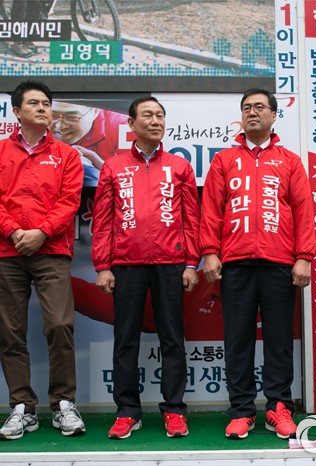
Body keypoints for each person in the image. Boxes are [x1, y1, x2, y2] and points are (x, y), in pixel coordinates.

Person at [200, 88, 316, 440]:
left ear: (273, 115)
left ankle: (278, 408)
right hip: (235, 263)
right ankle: (242, 411)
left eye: (260, 107)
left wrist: (303, 257)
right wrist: (210, 251)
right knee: (238, 340)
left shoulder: (289, 161)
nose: (252, 112)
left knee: (279, 340)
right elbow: (211, 209)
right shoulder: (224, 160)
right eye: (247, 108)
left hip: (279, 262)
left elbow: (303, 211)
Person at [0, 80, 85, 440]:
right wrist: (13, 231)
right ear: (17, 111)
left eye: (46, 103)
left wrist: (41, 232)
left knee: (60, 325)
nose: (42, 108)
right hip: (8, 251)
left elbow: (70, 200)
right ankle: (22, 408)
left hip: (51, 250)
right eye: (34, 103)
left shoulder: (67, 155)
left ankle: (63, 403)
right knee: (11, 331)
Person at [92, 97, 201, 439]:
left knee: (173, 338)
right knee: (125, 338)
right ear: (131, 123)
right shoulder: (114, 167)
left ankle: (174, 410)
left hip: (171, 263)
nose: (155, 121)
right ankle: (127, 411)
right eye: (148, 115)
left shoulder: (179, 167)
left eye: (160, 116)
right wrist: (103, 265)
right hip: (126, 263)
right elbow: (102, 220)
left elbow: (191, 219)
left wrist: (191, 262)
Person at [50, 100, 128, 186]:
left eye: (72, 117)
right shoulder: (39, 125)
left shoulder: (122, 127)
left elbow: (136, 183)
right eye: (52, 116)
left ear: (95, 112)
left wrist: (104, 168)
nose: (60, 126)